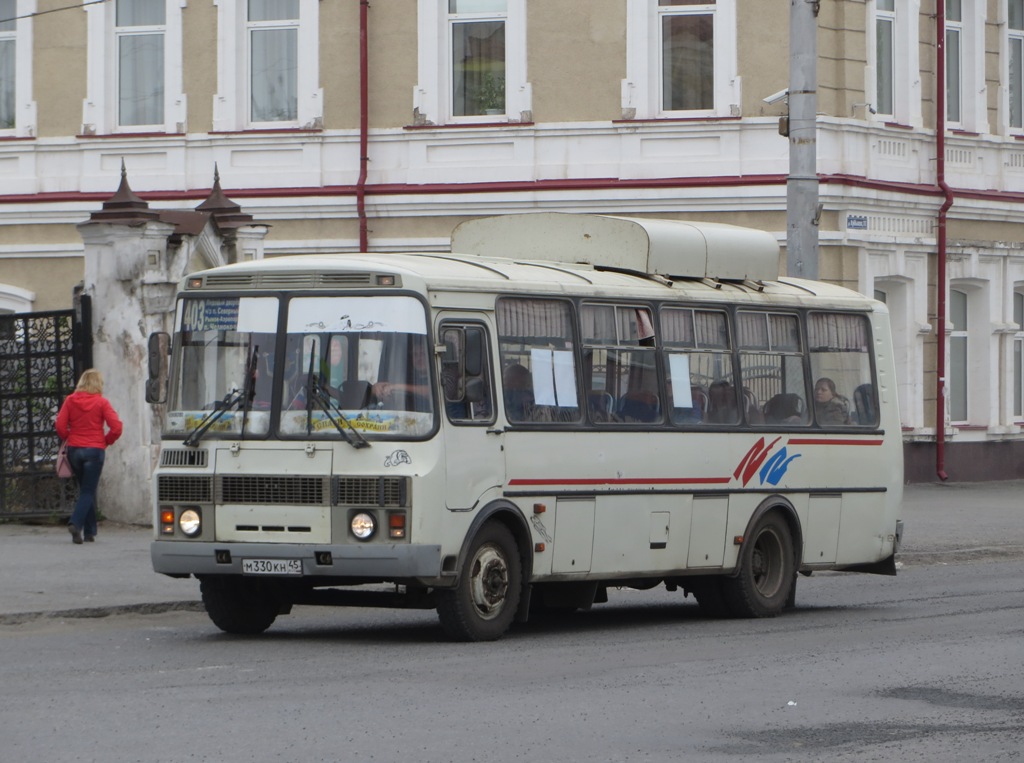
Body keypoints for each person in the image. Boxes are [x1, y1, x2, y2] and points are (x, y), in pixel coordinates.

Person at [55, 369, 123, 544]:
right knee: (88, 489)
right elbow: (116, 427)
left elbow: (60, 425)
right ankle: (76, 524)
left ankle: (90, 532)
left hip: (75, 450)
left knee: (85, 488)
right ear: (97, 384)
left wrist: (69, 437)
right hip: (94, 450)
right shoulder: (101, 403)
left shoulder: (70, 401)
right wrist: (105, 441)